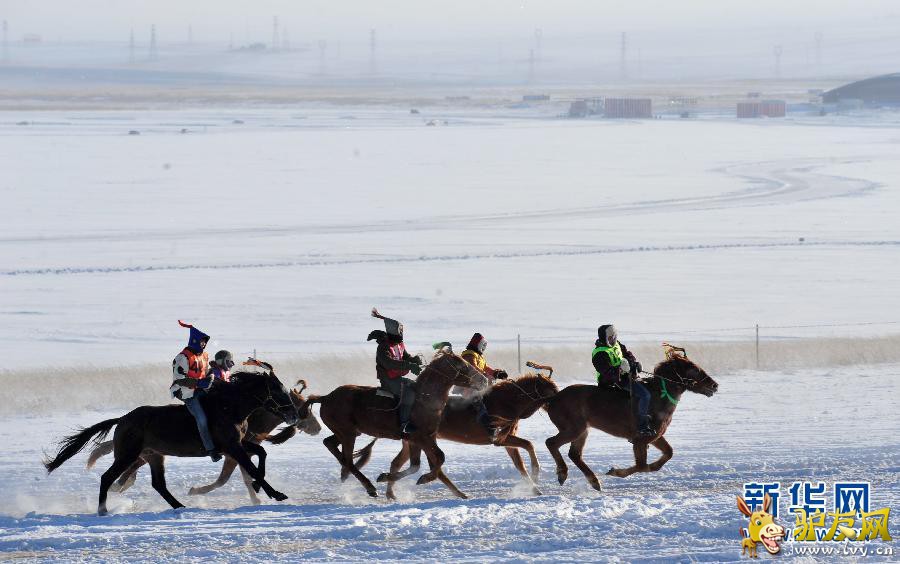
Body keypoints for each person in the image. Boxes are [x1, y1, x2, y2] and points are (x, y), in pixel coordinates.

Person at [170, 320, 221, 462]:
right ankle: (211, 449)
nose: (204, 344)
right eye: (202, 341)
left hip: (200, 389)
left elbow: (207, 371)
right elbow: (179, 379)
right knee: (202, 419)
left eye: (205, 342)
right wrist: (199, 383)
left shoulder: (204, 356)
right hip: (185, 392)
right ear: (194, 341)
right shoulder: (182, 357)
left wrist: (210, 376)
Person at [592, 324, 655, 439]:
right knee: (645, 395)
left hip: (625, 377)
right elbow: (606, 372)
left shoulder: (617, 344)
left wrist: (633, 364)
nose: (613, 339)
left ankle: (640, 418)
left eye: (614, 337)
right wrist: (620, 370)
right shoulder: (599, 353)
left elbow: (628, 355)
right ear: (604, 338)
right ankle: (641, 427)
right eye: (610, 337)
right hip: (610, 382)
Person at [368, 308, 423, 435]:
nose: (401, 337)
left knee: (417, 387)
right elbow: (389, 363)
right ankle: (403, 425)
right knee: (409, 394)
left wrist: (414, 360)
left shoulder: (398, 344)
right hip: (388, 380)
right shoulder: (383, 347)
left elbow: (405, 356)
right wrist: (409, 365)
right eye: (399, 334)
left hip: (398, 378)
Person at [458, 333, 508, 442]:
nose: (484, 348)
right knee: (479, 404)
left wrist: (497, 373)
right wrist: (487, 376)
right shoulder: (469, 355)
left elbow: (486, 368)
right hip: (469, 387)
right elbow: (473, 369)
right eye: (483, 345)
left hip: (480, 386)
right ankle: (490, 430)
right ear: (478, 344)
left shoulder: (479, 356)